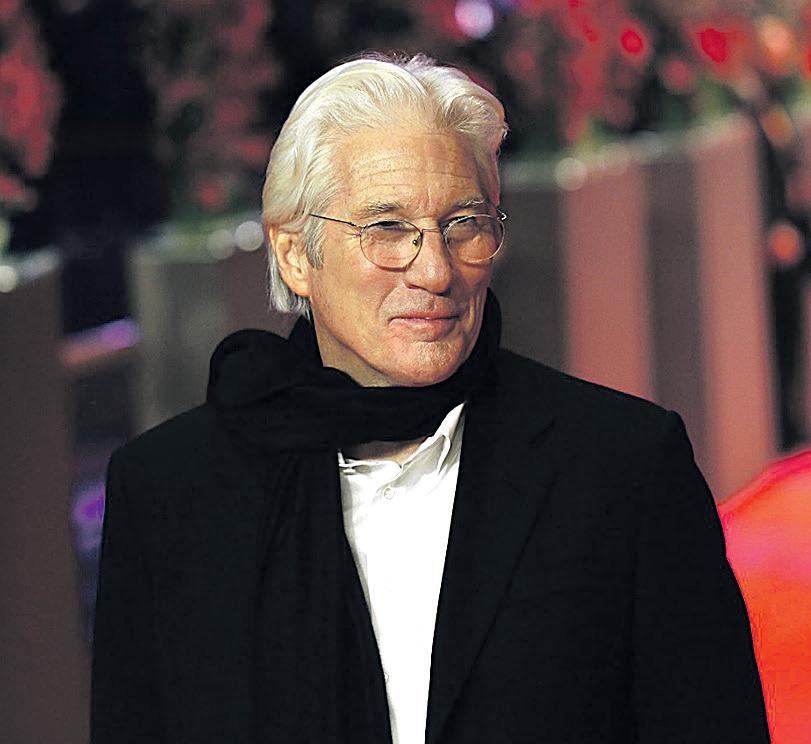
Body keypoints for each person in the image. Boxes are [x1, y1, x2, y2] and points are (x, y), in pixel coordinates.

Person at [91, 54, 770, 744]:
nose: (436, 270)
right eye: (387, 229)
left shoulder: (623, 467)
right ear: (296, 255)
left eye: (463, 224)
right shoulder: (167, 490)